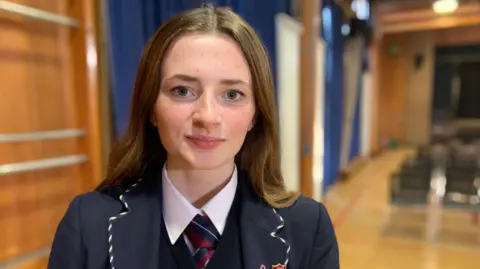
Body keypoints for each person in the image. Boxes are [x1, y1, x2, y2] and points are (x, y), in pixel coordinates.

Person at [48, 5, 339, 269]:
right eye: (182, 91)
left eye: (232, 94)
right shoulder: (88, 224)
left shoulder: (307, 228)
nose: (207, 116)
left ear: (255, 114)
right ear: (151, 107)